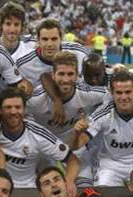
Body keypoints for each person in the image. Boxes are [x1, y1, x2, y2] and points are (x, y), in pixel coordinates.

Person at [71, 70, 133, 187]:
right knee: (105, 193)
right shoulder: (103, 113)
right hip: (111, 164)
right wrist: (76, 133)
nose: (124, 97)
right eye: (119, 93)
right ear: (112, 94)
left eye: (128, 92)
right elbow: (76, 145)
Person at [26, 51, 107, 185]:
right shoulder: (36, 99)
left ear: (77, 76)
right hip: (45, 147)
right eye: (61, 74)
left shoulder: (88, 93)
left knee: (85, 188)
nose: (65, 79)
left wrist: (93, 120)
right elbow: (14, 110)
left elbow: (115, 96)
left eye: (70, 74)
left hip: (75, 145)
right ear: (53, 75)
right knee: (48, 189)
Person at [0, 88, 79, 190]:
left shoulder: (38, 134)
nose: (13, 112)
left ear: (24, 109)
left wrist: (68, 182)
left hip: (26, 191)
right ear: (0, 110)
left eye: (18, 107)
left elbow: (73, 160)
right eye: (8, 107)